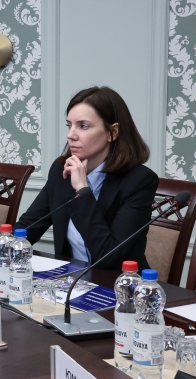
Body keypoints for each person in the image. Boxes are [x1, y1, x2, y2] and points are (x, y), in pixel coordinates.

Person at [14, 86, 158, 270]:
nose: (70, 135)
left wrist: (82, 190)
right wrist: (8, 242)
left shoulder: (139, 181)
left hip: (117, 283)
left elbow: (109, 256)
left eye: (83, 126)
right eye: (69, 125)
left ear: (112, 132)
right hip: (71, 279)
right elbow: (30, 225)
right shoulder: (61, 171)